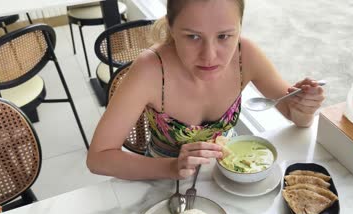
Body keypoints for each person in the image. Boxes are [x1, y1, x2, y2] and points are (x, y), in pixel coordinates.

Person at [86, 0, 325, 180]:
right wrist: (172, 167)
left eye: (224, 36)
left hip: (229, 172)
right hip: (161, 181)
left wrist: (305, 106)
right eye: (192, 36)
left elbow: (298, 119)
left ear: (240, 27)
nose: (209, 56)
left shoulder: (246, 55)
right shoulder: (150, 70)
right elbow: (98, 158)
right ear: (171, 27)